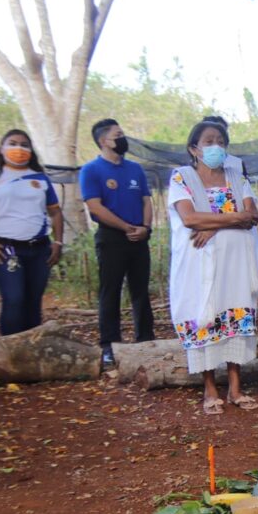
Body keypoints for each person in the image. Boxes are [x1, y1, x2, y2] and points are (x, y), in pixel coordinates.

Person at [167, 120, 258, 415]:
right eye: (208, 141)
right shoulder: (182, 178)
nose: (215, 146)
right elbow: (190, 219)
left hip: (234, 265)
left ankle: (235, 388)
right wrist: (233, 219)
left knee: (234, 314)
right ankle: (209, 388)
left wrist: (215, 225)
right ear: (193, 149)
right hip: (197, 265)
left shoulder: (236, 176)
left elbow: (253, 215)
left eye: (220, 140)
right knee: (202, 314)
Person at [0, 129, 63, 336]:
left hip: (40, 248)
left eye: (24, 144)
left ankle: (31, 353)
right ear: (2, 148)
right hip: (6, 249)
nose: (19, 148)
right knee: (14, 299)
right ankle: (9, 355)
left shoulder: (39, 177)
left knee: (33, 301)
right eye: (13, 143)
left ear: (31, 150)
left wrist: (58, 242)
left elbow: (55, 212)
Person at [80, 119, 156, 367]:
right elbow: (95, 207)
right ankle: (109, 345)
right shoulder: (91, 170)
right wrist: (125, 227)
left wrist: (145, 228)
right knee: (110, 291)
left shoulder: (135, 169)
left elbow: (146, 200)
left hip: (140, 237)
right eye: (118, 135)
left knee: (140, 291)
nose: (123, 139)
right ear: (103, 140)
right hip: (111, 237)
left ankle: (146, 339)